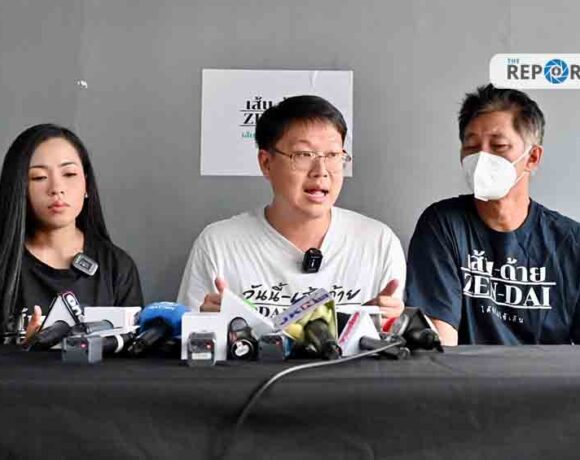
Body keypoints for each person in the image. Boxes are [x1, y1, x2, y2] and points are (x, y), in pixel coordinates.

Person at [177, 95, 406, 323]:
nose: (321, 171)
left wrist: (382, 325)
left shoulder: (378, 242)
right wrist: (206, 325)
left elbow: (393, 337)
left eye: (332, 155)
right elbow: (187, 337)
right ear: (266, 163)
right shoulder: (218, 244)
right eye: (304, 155)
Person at [405, 84, 580, 345]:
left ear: (532, 157)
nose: (481, 158)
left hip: (547, 373)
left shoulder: (571, 241)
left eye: (498, 146)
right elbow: (441, 340)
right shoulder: (443, 224)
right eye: (471, 146)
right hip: (461, 372)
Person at [0, 124, 143, 343]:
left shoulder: (116, 267)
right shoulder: (5, 263)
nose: (56, 188)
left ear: (86, 184)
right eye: (39, 177)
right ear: (19, 188)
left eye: (69, 174)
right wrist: (23, 352)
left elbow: (133, 352)